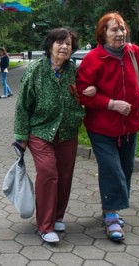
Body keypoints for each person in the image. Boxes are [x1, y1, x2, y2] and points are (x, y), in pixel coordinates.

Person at [75, 12, 139, 242]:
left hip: (129, 127)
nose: (120, 34)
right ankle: (111, 214)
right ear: (103, 34)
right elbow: (82, 94)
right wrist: (110, 104)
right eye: (114, 29)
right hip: (101, 128)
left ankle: (111, 207)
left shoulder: (135, 54)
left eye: (122, 29)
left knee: (125, 169)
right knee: (111, 169)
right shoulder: (93, 59)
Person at [14, 28, 95, 244]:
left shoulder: (73, 70)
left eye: (68, 43)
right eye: (60, 42)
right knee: (49, 172)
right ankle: (45, 225)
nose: (64, 47)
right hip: (40, 131)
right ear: (50, 46)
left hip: (67, 130)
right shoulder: (35, 71)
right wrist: (21, 137)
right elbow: (22, 106)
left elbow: (84, 92)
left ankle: (58, 216)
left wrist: (89, 94)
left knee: (65, 174)